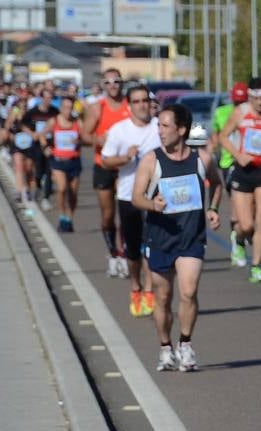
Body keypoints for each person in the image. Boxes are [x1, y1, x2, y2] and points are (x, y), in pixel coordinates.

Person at [132, 103, 222, 373]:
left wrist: (213, 209)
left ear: (181, 129)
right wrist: (152, 204)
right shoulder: (152, 160)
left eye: (165, 126)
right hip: (160, 237)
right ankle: (164, 347)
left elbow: (217, 184)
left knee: (188, 291)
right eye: (158, 126)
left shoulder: (202, 160)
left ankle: (185, 344)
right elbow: (136, 197)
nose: (159, 131)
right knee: (162, 297)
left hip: (191, 238)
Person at [101, 83, 160, 318]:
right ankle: (135, 286)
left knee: (152, 248)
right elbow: (106, 161)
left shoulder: (160, 127)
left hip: (155, 197)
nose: (142, 105)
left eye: (145, 100)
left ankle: (149, 290)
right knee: (134, 251)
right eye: (136, 101)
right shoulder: (119, 131)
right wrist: (125, 158)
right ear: (130, 105)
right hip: (128, 197)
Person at [219, 76, 261, 284]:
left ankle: (256, 265)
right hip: (243, 170)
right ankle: (238, 239)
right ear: (250, 96)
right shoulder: (240, 113)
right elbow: (222, 137)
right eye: (256, 98)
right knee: (246, 224)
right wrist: (238, 156)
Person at [82, 68, 131, 278]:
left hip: (126, 166)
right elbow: (84, 134)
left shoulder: (130, 106)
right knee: (108, 216)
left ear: (122, 83)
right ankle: (112, 254)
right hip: (103, 165)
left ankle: (126, 254)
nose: (113, 86)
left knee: (126, 212)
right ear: (103, 85)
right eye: (108, 82)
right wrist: (97, 140)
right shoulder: (97, 108)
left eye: (116, 81)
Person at [211, 81, 248, 266]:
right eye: (237, 101)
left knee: (253, 210)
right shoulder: (221, 112)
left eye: (243, 101)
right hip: (229, 163)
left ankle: (242, 233)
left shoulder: (251, 112)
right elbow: (216, 136)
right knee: (236, 205)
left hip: (251, 163)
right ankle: (237, 240)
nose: (240, 105)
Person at [48, 94, 83, 232]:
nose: (68, 111)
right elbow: (42, 135)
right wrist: (46, 146)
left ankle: (69, 218)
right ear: (61, 108)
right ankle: (62, 215)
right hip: (58, 161)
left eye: (70, 108)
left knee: (73, 194)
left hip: (74, 161)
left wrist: (79, 142)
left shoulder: (77, 122)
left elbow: (86, 139)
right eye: (65, 107)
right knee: (62, 188)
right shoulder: (54, 121)